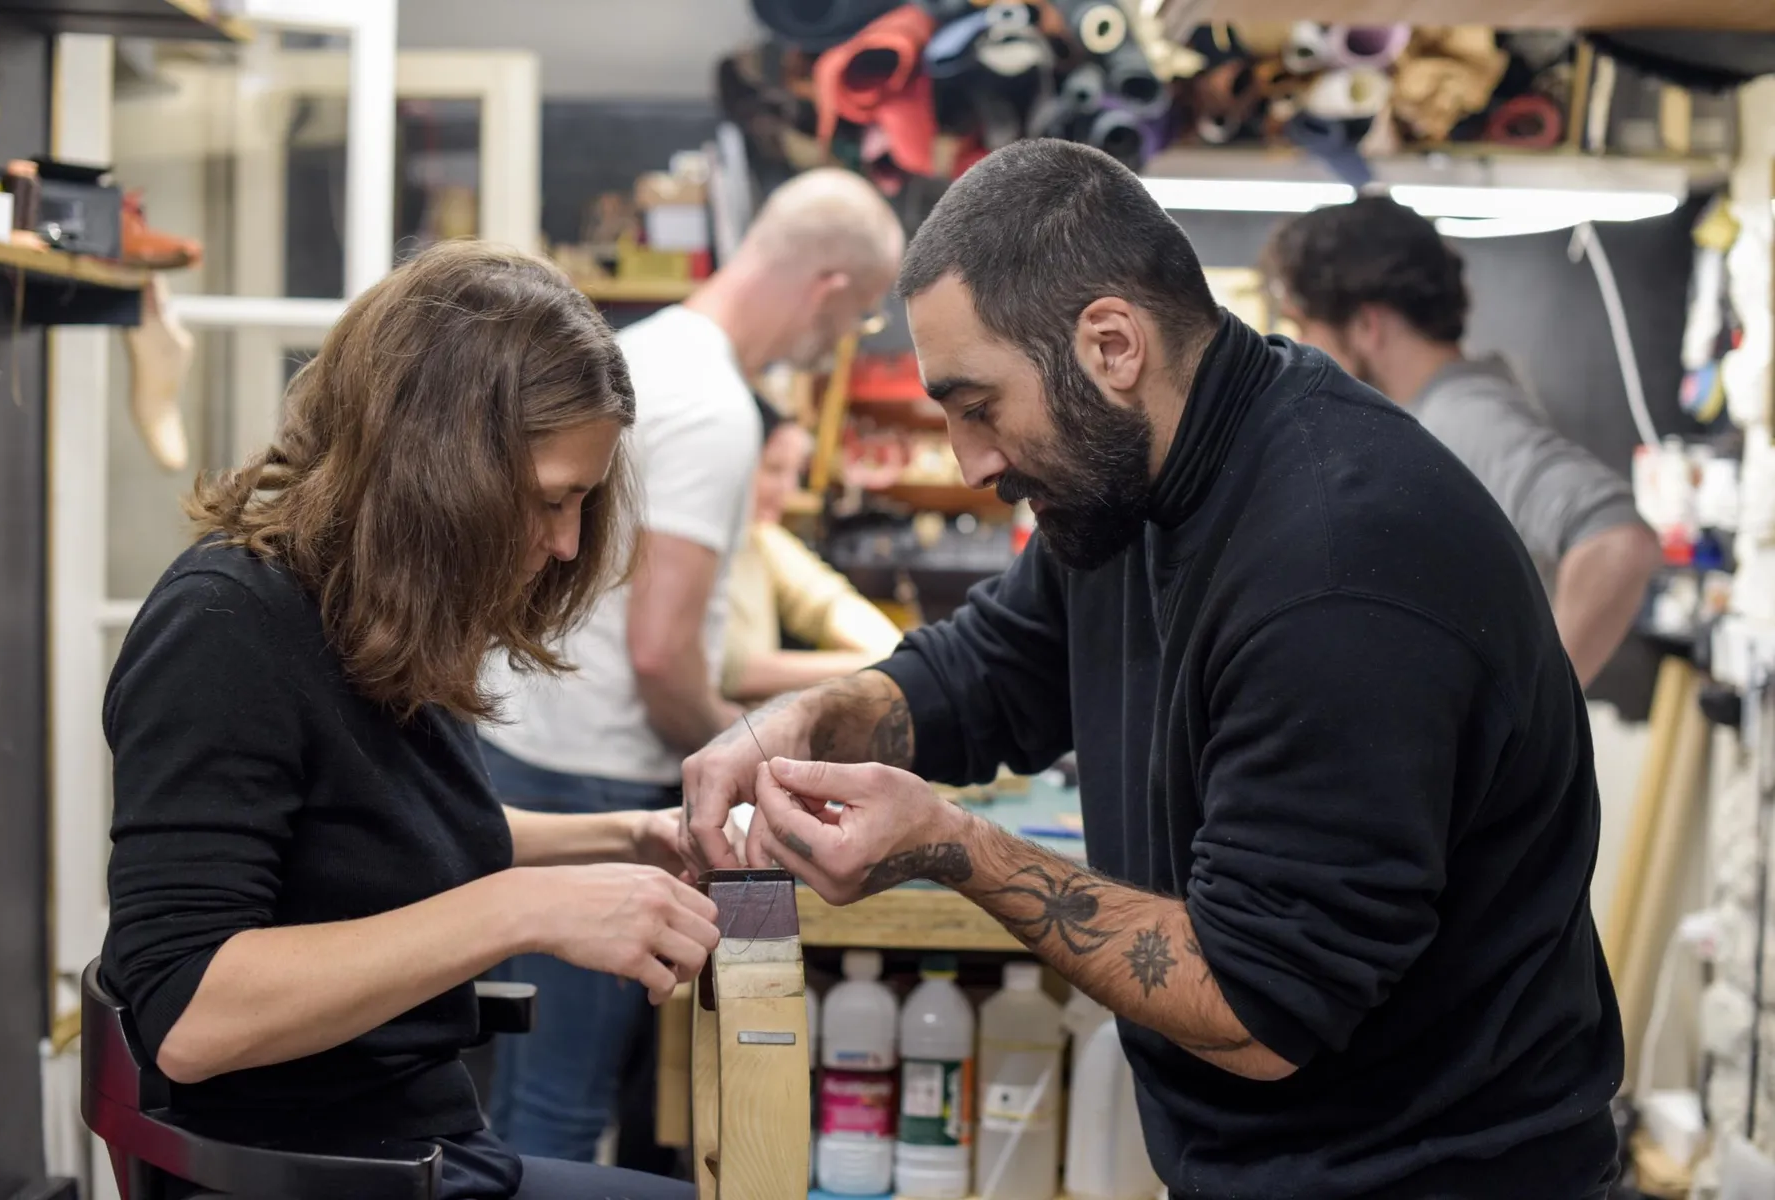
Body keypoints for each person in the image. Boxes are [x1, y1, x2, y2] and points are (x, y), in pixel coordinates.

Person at [682, 141, 1624, 1199]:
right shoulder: (1127, 481)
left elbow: (1257, 1003)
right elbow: (997, 667)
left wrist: (955, 849)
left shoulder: (1336, 566)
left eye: (979, 404)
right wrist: (804, 720)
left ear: (1112, 343)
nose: (971, 463)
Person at [99, 241, 717, 1200]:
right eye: (551, 500)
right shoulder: (225, 628)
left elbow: (376, 844)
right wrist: (525, 909)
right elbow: (190, 1015)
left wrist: (629, 837)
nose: (563, 544)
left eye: (582, 504)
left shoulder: (365, 609)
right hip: (310, 1179)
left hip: (422, 1150)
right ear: (440, 471)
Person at [477, 167, 905, 1160]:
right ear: (832, 287)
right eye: (858, 321)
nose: (840, 346)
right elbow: (665, 656)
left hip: (539, 756)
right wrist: (754, 765)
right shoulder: (714, 406)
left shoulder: (646, 354)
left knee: (545, 1094)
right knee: (561, 1113)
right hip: (595, 777)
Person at [1261, 194, 1662, 687]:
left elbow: (1617, 539)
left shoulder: (1462, 419)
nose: (1301, 354)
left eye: (1305, 329)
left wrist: (1543, 719)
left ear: (1367, 326)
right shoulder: (1428, 419)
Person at [721, 398, 904, 703]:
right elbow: (728, 670)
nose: (789, 489)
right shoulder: (688, 549)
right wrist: (884, 665)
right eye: (774, 469)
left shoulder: (759, 537)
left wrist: (899, 652)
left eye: (794, 472)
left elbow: (826, 603)